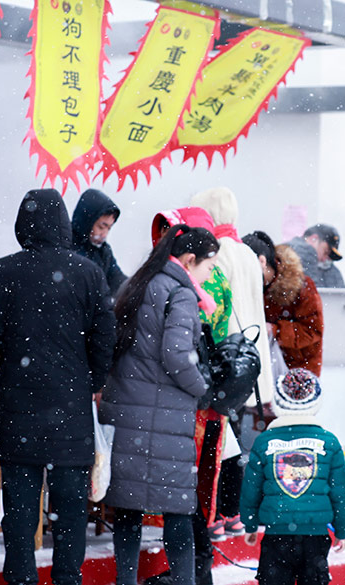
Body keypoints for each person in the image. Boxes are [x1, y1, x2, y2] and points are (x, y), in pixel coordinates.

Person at [0, 188, 116, 585]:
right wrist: (92, 381)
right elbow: (105, 337)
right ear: (65, 225)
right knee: (70, 509)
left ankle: (21, 577)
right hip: (69, 413)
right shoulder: (88, 272)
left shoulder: (2, 272)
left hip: (15, 411)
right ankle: (68, 577)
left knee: (19, 507)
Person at [100, 225, 218, 585]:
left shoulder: (139, 283)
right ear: (189, 260)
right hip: (164, 417)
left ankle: (126, 580)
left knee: (129, 508)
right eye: (208, 265)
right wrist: (202, 390)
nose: (210, 273)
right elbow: (177, 356)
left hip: (127, 413)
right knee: (179, 508)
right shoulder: (180, 294)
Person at [145, 207, 232, 585]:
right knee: (197, 489)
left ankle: (193, 570)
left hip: (195, 400)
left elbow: (183, 349)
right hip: (207, 398)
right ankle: (198, 568)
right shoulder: (198, 280)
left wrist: (200, 387)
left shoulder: (199, 282)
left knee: (189, 491)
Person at [190, 187, 275, 542]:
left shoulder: (215, 253)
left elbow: (213, 312)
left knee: (219, 439)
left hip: (224, 356)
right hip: (249, 360)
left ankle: (218, 512)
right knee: (233, 438)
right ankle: (234, 511)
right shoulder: (246, 253)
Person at [240, 368, 345, 585]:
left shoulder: (264, 442)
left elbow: (250, 489)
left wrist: (250, 524)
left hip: (276, 535)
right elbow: (341, 491)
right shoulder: (329, 442)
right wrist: (341, 528)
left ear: (279, 403)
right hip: (315, 538)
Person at [244, 231, 324, 376]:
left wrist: (275, 330)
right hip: (262, 370)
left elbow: (312, 331)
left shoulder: (302, 287)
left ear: (262, 262)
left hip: (299, 372)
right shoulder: (251, 287)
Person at [71, 188, 128, 293]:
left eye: (109, 228)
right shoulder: (66, 246)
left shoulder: (104, 251)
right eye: (101, 227)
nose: (104, 234)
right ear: (87, 222)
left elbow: (118, 280)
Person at [286, 224, 345, 288]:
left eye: (329, 257)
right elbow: (311, 291)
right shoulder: (304, 251)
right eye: (325, 252)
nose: (325, 260)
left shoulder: (330, 269)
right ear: (313, 239)